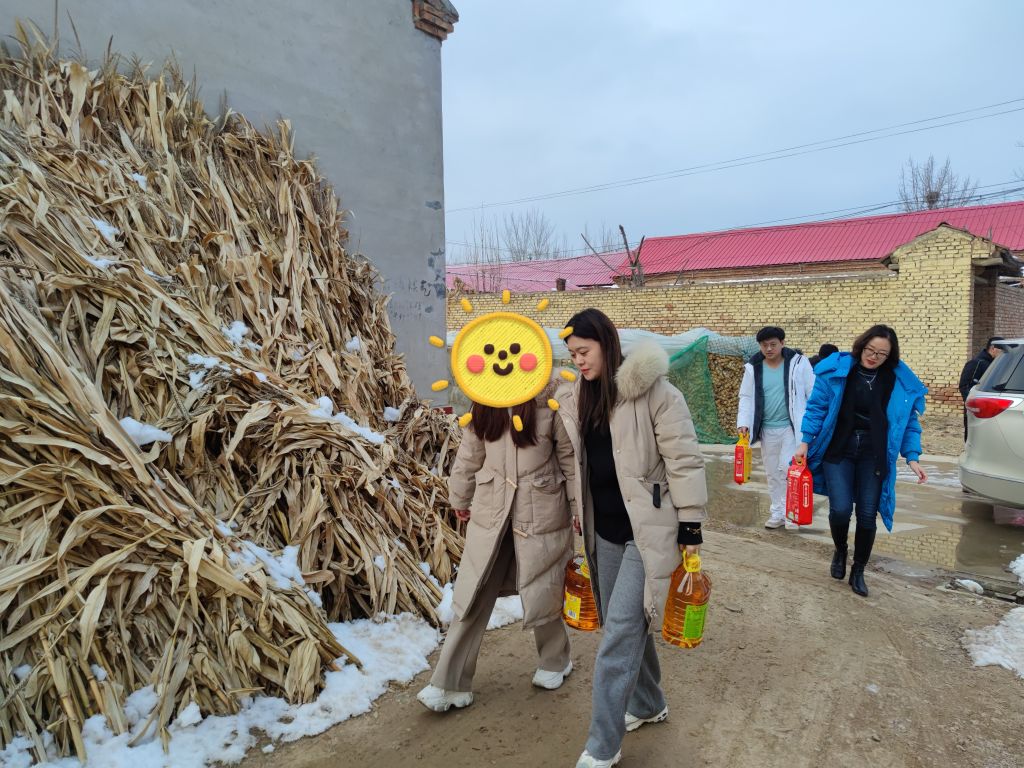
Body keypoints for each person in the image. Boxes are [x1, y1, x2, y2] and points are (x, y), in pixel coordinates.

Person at [556, 308, 707, 768]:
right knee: (624, 623)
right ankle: (648, 702)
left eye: (584, 351)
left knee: (619, 635)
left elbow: (684, 460)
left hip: (649, 534)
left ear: (606, 343)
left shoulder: (656, 393)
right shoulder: (578, 397)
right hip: (604, 530)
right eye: (572, 354)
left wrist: (691, 525)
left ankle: (602, 746)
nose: (579, 360)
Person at [416, 382, 577, 712]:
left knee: (542, 586)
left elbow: (569, 459)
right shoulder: (485, 400)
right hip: (493, 512)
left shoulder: (551, 401)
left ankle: (555, 660)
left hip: (540, 509)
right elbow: (470, 453)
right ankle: (449, 682)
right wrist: (460, 496)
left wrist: (578, 508)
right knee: (474, 590)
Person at [794, 325, 928, 598]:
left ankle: (859, 569)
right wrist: (805, 441)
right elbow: (817, 408)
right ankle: (841, 550)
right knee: (841, 510)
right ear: (861, 345)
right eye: (870, 350)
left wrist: (912, 457)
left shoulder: (897, 381)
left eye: (881, 353)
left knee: (867, 515)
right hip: (839, 449)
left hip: (873, 453)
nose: (873, 357)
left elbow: (908, 423)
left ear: (890, 356)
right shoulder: (838, 371)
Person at [736, 326, 816, 530]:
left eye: (773, 344)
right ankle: (777, 512)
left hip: (792, 427)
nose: (769, 349)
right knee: (772, 472)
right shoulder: (753, 367)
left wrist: (812, 425)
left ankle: (791, 513)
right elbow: (746, 397)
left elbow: (812, 392)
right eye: (764, 345)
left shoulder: (799, 363)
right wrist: (743, 422)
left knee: (787, 468)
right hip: (767, 428)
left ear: (782, 343)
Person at [958, 337, 1004, 439]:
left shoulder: (995, 364)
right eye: (1002, 350)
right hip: (976, 410)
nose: (1003, 353)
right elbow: (964, 386)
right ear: (993, 348)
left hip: (992, 409)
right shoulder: (976, 363)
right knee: (973, 439)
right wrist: (974, 406)